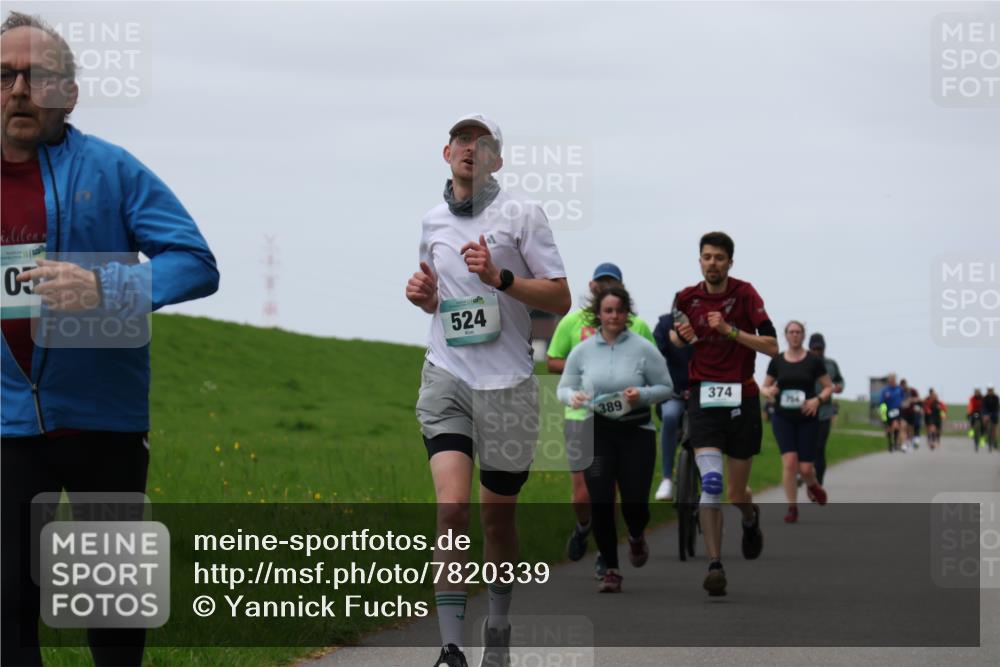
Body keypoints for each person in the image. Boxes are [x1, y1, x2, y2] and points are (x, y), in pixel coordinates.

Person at [1, 13, 219, 667]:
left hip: (106, 424)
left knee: (112, 610)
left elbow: (195, 262)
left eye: (35, 76)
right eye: (4, 75)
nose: (17, 89)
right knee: (9, 607)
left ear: (67, 91)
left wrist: (104, 287)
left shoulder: (112, 169)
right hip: (8, 426)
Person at [406, 113, 570, 667]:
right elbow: (440, 299)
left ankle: (497, 629)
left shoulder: (522, 214)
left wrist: (500, 278)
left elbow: (560, 299)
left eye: (483, 144)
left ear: (497, 159)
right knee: (450, 508)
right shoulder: (431, 221)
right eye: (461, 141)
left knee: (497, 521)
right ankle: (451, 647)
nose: (470, 150)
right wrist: (424, 296)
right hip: (447, 376)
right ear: (446, 151)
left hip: (507, 385)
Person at [670, 231, 777, 597]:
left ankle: (750, 519)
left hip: (742, 397)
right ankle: (715, 565)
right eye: (706, 256)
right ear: (699, 260)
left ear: (730, 262)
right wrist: (680, 336)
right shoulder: (686, 297)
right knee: (712, 485)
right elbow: (675, 337)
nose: (712, 263)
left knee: (734, 492)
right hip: (703, 397)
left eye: (719, 257)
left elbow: (773, 346)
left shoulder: (746, 295)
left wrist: (731, 330)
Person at [556, 286, 672, 593]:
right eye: (608, 311)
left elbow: (666, 387)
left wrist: (642, 395)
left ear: (627, 313)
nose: (614, 316)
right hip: (598, 432)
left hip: (637, 432)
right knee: (601, 502)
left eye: (619, 311)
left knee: (635, 502)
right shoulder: (583, 351)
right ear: (599, 314)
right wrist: (574, 396)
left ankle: (636, 534)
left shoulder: (643, 348)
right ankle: (611, 568)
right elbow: (562, 389)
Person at [761, 322, 834, 523]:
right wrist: (769, 392)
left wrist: (817, 400)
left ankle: (813, 485)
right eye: (791, 332)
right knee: (790, 462)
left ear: (803, 336)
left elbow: (829, 387)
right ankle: (792, 507)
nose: (794, 335)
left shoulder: (814, 361)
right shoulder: (777, 361)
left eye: (798, 332)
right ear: (785, 335)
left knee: (805, 469)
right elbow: (764, 386)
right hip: (783, 417)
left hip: (807, 418)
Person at [652, 310, 694, 501]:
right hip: (674, 391)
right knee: (669, 417)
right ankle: (667, 478)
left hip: (702, 392)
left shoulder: (705, 322)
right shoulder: (664, 324)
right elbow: (655, 353)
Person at [807, 333, 843, 485]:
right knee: (806, 447)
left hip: (824, 412)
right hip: (806, 411)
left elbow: (839, 380)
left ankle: (818, 482)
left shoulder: (831, 364)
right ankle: (805, 474)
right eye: (814, 348)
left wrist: (839, 387)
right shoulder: (803, 362)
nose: (817, 351)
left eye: (820, 348)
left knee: (820, 447)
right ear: (809, 348)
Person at [879, 374, 905, 453]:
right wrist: (882, 414)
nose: (892, 381)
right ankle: (890, 443)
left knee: (896, 425)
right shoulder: (885, 390)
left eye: (893, 380)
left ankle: (895, 442)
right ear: (888, 381)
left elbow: (902, 398)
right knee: (889, 429)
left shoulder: (899, 389)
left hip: (896, 410)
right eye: (890, 380)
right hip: (887, 410)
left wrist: (902, 405)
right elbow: (882, 403)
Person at [899, 379, 920, 452]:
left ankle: (909, 442)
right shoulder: (900, 392)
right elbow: (898, 400)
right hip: (903, 412)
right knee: (903, 427)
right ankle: (903, 444)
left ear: (906, 384)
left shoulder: (913, 391)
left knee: (910, 429)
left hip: (911, 412)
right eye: (902, 386)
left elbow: (918, 399)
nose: (903, 387)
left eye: (904, 385)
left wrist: (911, 400)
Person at [984, 385, 999, 453]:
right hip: (987, 413)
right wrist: (985, 414)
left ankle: (995, 440)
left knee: (994, 428)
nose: (990, 391)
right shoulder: (985, 398)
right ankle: (987, 437)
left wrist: (995, 413)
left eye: (991, 390)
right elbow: (983, 407)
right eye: (989, 390)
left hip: (994, 413)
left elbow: (997, 406)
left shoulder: (996, 397)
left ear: (993, 390)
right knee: (986, 424)